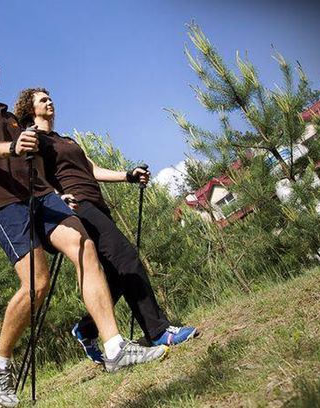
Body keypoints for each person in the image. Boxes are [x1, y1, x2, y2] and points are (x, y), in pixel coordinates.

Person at [0, 48, 168, 407]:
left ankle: (114, 347)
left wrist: (55, 192)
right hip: (4, 204)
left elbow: (34, 158)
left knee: (84, 246)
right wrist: (11, 147)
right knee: (37, 283)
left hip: (42, 196)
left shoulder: (8, 114)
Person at [13, 87, 199, 363]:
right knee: (127, 259)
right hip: (77, 207)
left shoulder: (66, 140)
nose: (49, 101)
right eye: (42, 99)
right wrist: (58, 200)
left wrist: (128, 176)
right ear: (30, 109)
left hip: (96, 203)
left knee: (116, 275)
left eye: (50, 97)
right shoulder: (36, 139)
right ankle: (157, 330)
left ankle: (86, 328)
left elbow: (92, 169)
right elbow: (38, 177)